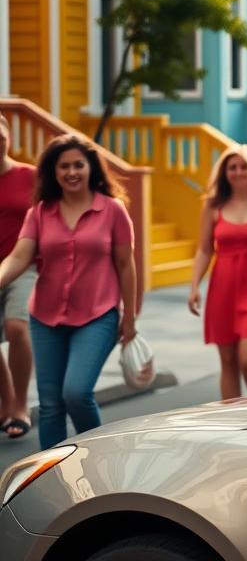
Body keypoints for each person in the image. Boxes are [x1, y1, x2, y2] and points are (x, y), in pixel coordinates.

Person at [0, 134, 138, 449]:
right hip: (46, 317)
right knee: (50, 406)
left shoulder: (113, 210)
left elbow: (126, 265)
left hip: (97, 315)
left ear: (91, 168)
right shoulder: (40, 212)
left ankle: (101, 454)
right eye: (64, 166)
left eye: (79, 165)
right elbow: (20, 256)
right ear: (54, 171)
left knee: (76, 392)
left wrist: (129, 317)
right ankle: (49, 479)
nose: (72, 172)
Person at [187, 144, 247, 400]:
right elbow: (204, 249)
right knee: (228, 361)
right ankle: (232, 420)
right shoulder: (212, 206)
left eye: (244, 167)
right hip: (223, 287)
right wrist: (195, 285)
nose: (238, 172)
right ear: (224, 172)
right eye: (232, 167)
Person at [0, 113, 36, 439]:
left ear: (8, 136)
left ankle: (21, 406)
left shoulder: (30, 176)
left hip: (24, 266)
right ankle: (7, 402)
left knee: (16, 326)